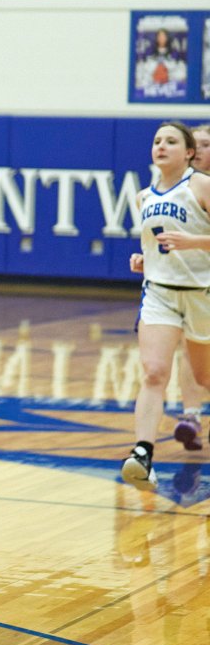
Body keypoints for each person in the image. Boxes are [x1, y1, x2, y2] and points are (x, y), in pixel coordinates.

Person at [122, 121, 210, 490]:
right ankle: (142, 454)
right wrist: (146, 260)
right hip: (159, 292)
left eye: (171, 141)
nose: (161, 146)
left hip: (202, 293)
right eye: (157, 141)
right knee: (155, 372)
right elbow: (158, 243)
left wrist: (194, 242)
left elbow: (188, 242)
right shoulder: (144, 196)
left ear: (188, 152)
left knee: (204, 377)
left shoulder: (201, 186)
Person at [171, 123, 210, 449]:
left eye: (206, 144)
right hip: (191, 281)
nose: (199, 150)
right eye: (195, 144)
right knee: (190, 346)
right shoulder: (175, 187)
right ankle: (191, 415)